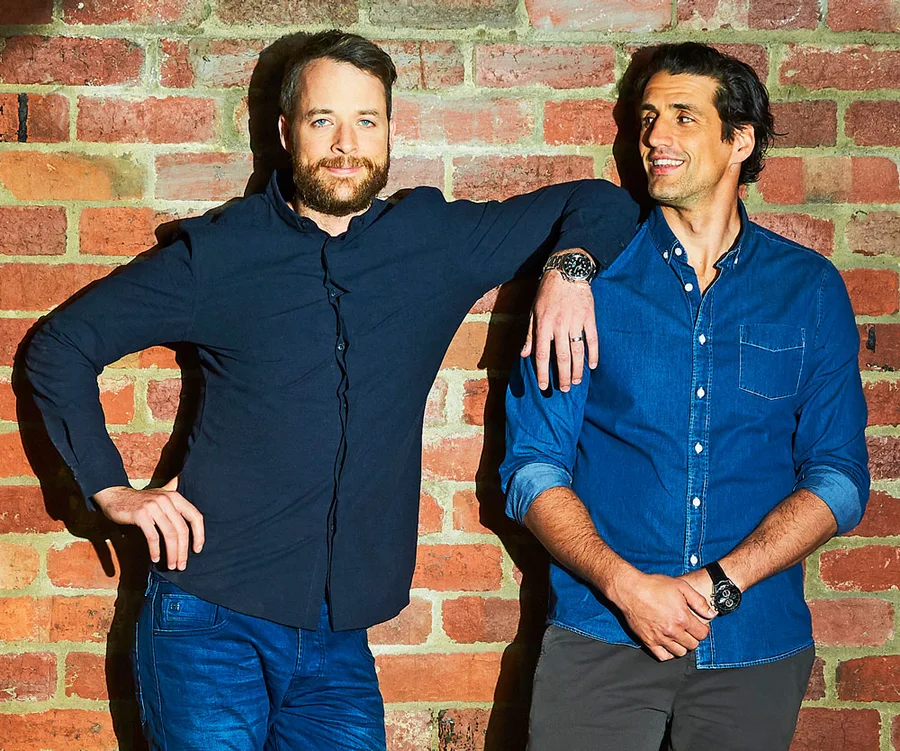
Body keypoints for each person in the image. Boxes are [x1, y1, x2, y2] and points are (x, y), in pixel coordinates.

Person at [25, 30, 639, 751]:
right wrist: (110, 488)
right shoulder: (221, 254)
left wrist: (569, 270)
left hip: (337, 643)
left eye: (366, 122)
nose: (347, 145)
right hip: (207, 620)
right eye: (324, 122)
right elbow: (60, 347)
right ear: (286, 133)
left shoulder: (435, 240)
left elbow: (601, 203)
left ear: (389, 131)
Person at [500, 42, 869, 751]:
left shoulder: (809, 290)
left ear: (741, 140)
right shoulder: (585, 289)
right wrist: (630, 588)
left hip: (753, 646)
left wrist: (719, 585)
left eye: (682, 118)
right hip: (600, 637)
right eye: (646, 119)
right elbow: (532, 467)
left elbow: (840, 477)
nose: (655, 139)